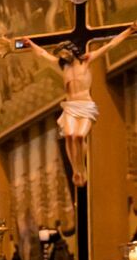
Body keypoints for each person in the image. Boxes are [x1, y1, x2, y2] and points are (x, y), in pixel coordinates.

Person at [15, 26, 137, 187]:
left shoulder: (86, 60)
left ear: (71, 51)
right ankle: (76, 171)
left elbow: (110, 45)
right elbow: (43, 54)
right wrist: (31, 45)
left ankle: (82, 168)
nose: (62, 55)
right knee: (70, 135)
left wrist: (129, 31)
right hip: (70, 106)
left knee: (79, 136)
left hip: (85, 104)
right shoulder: (62, 65)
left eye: (64, 52)